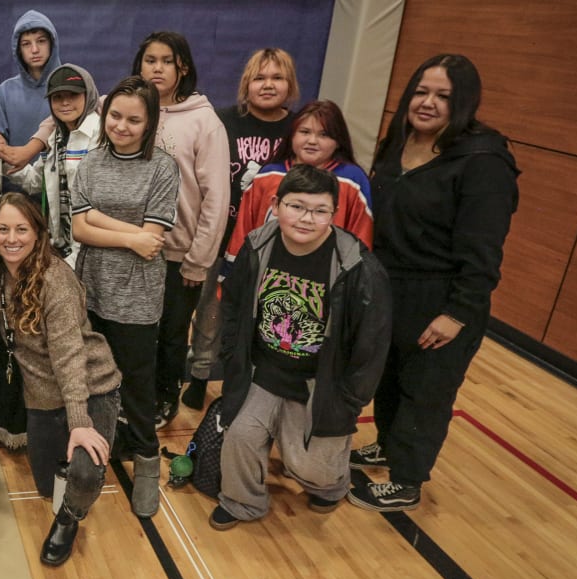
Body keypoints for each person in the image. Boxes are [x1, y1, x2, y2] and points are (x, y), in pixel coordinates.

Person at [349, 54, 519, 512]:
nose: (428, 103)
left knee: (425, 392)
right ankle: (386, 444)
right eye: (422, 92)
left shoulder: (484, 161)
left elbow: (484, 252)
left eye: (443, 96)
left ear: (463, 103)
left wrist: (456, 314)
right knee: (387, 380)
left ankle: (406, 480)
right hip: (389, 289)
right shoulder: (398, 143)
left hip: (440, 298)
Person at [209, 165, 391, 530]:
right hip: (263, 371)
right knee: (241, 436)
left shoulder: (358, 266)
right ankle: (243, 502)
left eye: (320, 210)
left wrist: (349, 400)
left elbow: (372, 343)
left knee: (309, 469)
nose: (306, 219)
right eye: (296, 206)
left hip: (318, 381)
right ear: (276, 205)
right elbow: (232, 306)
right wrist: (231, 359)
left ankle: (332, 481)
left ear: (334, 213)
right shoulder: (257, 245)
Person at [0, 194, 121, 565]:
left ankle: (68, 521)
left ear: (38, 234)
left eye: (22, 229)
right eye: (3, 229)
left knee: (83, 475)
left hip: (90, 386)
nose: (11, 238)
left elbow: (69, 357)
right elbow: (7, 318)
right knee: (44, 484)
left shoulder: (56, 280)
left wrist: (79, 423)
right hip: (41, 397)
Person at [70, 76, 179, 518]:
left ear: (150, 123)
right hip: (92, 289)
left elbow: (155, 242)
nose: (122, 125)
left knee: (137, 385)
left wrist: (103, 221)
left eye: (134, 120)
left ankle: (148, 466)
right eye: (116, 115)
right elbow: (78, 228)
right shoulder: (92, 162)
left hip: (137, 298)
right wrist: (132, 235)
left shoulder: (163, 168)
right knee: (97, 379)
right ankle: (99, 453)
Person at [184, 48, 299, 409]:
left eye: (277, 78)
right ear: (246, 84)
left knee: (265, 314)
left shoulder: (297, 129)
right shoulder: (222, 122)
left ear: (290, 84)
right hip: (221, 238)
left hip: (274, 246)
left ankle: (252, 382)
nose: (268, 85)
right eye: (259, 78)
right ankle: (201, 374)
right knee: (210, 314)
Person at [132, 31, 229, 428]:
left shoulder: (205, 121)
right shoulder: (125, 108)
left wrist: (198, 261)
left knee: (171, 335)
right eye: (149, 59)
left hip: (178, 256)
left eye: (166, 61)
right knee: (135, 333)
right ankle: (134, 396)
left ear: (182, 67)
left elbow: (216, 198)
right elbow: (66, 112)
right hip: (129, 249)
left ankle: (164, 397)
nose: (156, 68)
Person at [225, 100, 373, 266]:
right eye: (304, 132)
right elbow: (244, 230)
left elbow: (361, 238)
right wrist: (232, 272)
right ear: (291, 136)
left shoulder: (352, 181)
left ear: (338, 140)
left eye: (323, 134)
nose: (312, 141)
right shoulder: (268, 175)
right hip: (264, 272)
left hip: (324, 279)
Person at [0, 63, 103, 263]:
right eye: (57, 97)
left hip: (91, 251)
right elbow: (35, 182)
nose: (65, 103)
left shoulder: (101, 135)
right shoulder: (56, 137)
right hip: (63, 249)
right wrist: (1, 156)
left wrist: (73, 262)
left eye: (73, 95)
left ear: (88, 95)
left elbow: (97, 206)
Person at [0, 10, 62, 147]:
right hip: (17, 168)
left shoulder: (71, 85)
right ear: (18, 49)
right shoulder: (6, 92)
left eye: (41, 41)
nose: (34, 50)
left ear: (52, 43)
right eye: (26, 44)